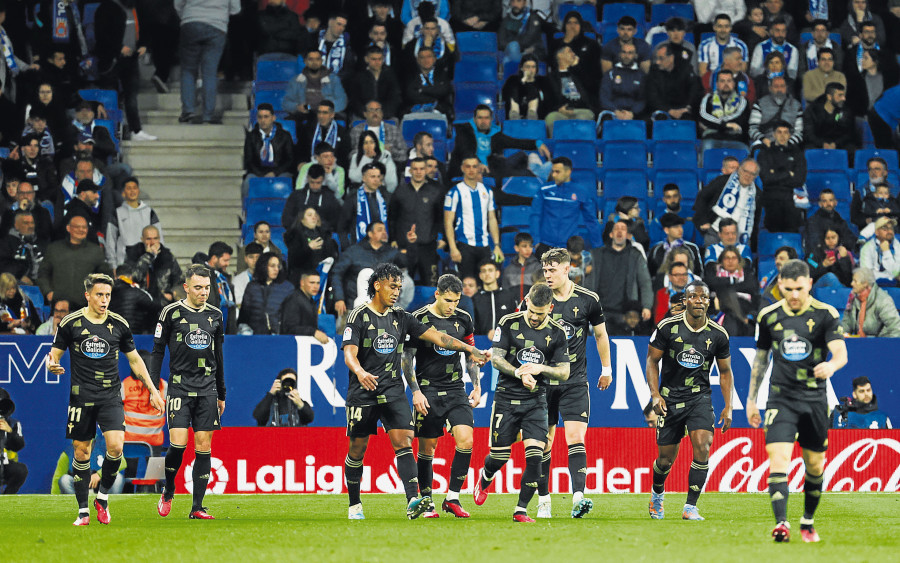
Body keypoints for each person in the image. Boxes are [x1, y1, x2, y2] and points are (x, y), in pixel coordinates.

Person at [342, 263, 489, 520]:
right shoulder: (358, 316)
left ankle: (413, 501)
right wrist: (360, 371)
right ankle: (355, 504)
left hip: (392, 390)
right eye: (392, 286)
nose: (397, 292)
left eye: (399, 287)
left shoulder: (402, 317)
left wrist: (469, 350)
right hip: (363, 391)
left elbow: (439, 338)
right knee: (357, 449)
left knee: (404, 442)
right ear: (377, 285)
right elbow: (349, 353)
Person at [47, 273, 164, 525]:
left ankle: (101, 498)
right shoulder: (71, 323)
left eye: (108, 295)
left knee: (116, 447)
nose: (104, 300)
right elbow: (53, 355)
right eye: (99, 295)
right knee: (81, 452)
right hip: (81, 397)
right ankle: (83, 511)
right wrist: (53, 365)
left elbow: (134, 359)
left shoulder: (119, 323)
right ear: (87, 295)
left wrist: (153, 390)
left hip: (110, 396)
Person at [747, 259, 847, 543]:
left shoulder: (825, 314)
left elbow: (840, 352)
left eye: (799, 289)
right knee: (778, 458)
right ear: (780, 284)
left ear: (809, 285)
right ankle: (781, 524)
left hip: (815, 400)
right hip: (781, 398)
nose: (793, 295)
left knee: (815, 466)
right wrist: (752, 400)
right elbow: (761, 359)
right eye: (788, 288)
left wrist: (832, 366)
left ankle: (808, 521)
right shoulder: (768, 316)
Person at [473, 283, 568, 522]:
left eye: (540, 313)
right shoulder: (508, 322)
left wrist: (540, 368)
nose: (535, 317)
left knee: (536, 454)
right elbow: (496, 358)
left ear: (550, 307)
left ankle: (521, 510)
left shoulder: (557, 333)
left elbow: (564, 372)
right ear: (526, 301)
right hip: (506, 397)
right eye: (532, 311)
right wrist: (519, 373)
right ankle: (486, 475)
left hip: (536, 400)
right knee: (499, 457)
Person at [534, 248, 611, 518]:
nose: (547, 274)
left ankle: (578, 496)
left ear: (567, 269)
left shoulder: (588, 300)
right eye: (545, 270)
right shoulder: (536, 298)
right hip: (543, 384)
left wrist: (607, 368)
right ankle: (544, 500)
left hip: (575, 381)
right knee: (544, 442)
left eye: (552, 269)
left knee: (576, 437)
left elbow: (601, 335)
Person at [647, 280, 733, 521]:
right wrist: (655, 394)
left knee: (703, 446)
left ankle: (690, 507)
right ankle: (657, 494)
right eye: (694, 297)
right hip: (670, 398)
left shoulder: (718, 334)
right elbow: (652, 361)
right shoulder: (667, 327)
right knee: (665, 460)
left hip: (700, 397)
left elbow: (725, 372)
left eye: (703, 297)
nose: (699, 301)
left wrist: (728, 406)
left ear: (708, 301)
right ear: (685, 301)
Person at [402, 274, 482, 518]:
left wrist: (476, 385)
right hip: (427, 389)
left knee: (466, 440)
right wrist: (415, 391)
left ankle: (453, 498)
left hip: (456, 388)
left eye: (456, 301)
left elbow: (471, 356)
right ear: (437, 294)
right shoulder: (418, 319)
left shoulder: (464, 319)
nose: (452, 306)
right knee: (428, 448)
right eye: (448, 300)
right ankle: (427, 501)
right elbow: (407, 359)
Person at [152, 264, 226, 520]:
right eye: (198, 287)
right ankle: (169, 488)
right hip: (180, 388)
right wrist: (153, 388)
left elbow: (219, 357)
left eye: (207, 288)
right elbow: (158, 351)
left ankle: (197, 507)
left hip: (207, 389)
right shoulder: (170, 313)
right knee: (178, 445)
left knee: (204, 447)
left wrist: (222, 393)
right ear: (186, 287)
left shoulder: (216, 315)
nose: (203, 292)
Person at [94, 0, 157, 141]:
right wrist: (118, 47)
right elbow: (101, 34)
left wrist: (144, 45)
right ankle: (109, 133)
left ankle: (136, 130)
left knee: (131, 97)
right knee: (110, 98)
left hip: (131, 61)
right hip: (111, 60)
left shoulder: (137, 7)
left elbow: (146, 28)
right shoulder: (106, 7)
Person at [176, 0, 241, 124]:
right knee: (210, 72)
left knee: (188, 70)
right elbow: (235, 9)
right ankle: (207, 115)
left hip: (191, 22)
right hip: (217, 26)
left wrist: (186, 16)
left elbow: (177, 4)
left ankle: (188, 111)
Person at [449, 104, 551, 182]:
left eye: (486, 118)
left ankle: (535, 169)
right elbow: (466, 150)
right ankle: (537, 170)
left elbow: (515, 142)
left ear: (491, 120)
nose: (483, 121)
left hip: (492, 168)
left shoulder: (494, 134)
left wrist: (537, 143)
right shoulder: (464, 131)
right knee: (521, 173)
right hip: (469, 171)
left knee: (523, 165)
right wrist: (477, 163)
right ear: (475, 119)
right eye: (480, 118)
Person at [584, 220, 653, 333]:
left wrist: (647, 306)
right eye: (616, 228)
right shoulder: (596, 255)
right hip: (601, 311)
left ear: (628, 235)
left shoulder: (635, 255)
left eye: (623, 229)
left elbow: (645, 282)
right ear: (611, 234)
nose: (620, 231)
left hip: (625, 314)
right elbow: (586, 282)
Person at [331, 221, 411, 317]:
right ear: (370, 234)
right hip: (353, 306)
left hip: (382, 309)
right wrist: (339, 298)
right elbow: (336, 274)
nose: (384, 232)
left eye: (385, 230)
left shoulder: (391, 252)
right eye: (379, 230)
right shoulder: (353, 252)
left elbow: (408, 264)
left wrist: (410, 244)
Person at [443, 156, 504, 279]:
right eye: (468, 166)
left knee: (487, 283)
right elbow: (448, 222)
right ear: (462, 168)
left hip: (484, 246)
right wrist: (453, 248)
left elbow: (492, 219)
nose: (471, 169)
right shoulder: (454, 192)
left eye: (474, 166)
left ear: (479, 169)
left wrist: (497, 245)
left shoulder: (487, 191)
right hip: (464, 245)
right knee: (467, 283)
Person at [388, 157, 444, 285]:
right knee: (401, 286)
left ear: (426, 170)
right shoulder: (400, 191)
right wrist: (393, 239)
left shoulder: (436, 191)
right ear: (410, 171)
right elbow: (392, 218)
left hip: (428, 246)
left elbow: (440, 218)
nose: (418, 172)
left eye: (422, 169)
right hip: (405, 246)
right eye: (415, 169)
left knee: (431, 286)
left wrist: (442, 237)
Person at [38, 215, 112, 308]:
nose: (81, 230)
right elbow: (43, 274)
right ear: (68, 228)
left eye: (84, 227)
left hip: (86, 307)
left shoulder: (96, 251)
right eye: (77, 227)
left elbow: (106, 277)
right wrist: (48, 292)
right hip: (59, 306)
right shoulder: (54, 249)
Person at [530, 157, 602, 253]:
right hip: (545, 245)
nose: (554, 175)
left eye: (557, 172)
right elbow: (535, 215)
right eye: (553, 171)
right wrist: (536, 242)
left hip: (569, 246)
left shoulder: (581, 192)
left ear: (568, 172)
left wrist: (598, 247)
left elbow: (591, 220)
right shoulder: (544, 190)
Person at [694, 159, 761, 247]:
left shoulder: (757, 194)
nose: (747, 175)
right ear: (739, 170)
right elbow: (702, 197)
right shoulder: (723, 181)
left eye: (752, 174)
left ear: (755, 176)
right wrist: (703, 221)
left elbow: (755, 220)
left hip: (740, 237)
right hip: (715, 231)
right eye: (745, 171)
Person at [757, 121, 806, 233]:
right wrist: (788, 173)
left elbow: (799, 179)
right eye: (779, 132)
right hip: (771, 196)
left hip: (791, 196)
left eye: (785, 133)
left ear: (790, 135)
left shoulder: (798, 153)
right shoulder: (765, 153)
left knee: (793, 225)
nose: (782, 136)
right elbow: (766, 178)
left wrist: (775, 173)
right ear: (774, 134)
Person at [106, 177, 162, 270]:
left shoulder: (149, 212)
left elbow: (159, 238)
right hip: (124, 262)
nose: (132, 191)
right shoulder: (117, 213)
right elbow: (110, 240)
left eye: (134, 188)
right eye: (129, 188)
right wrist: (113, 265)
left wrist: (158, 258)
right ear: (123, 192)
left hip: (147, 261)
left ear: (138, 191)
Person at [242, 104, 294, 199]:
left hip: (279, 171)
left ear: (273, 118)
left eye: (266, 117)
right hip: (258, 172)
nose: (263, 120)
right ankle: (247, 209)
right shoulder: (251, 137)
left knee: (288, 179)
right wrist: (261, 175)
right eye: (260, 117)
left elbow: (290, 160)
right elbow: (248, 161)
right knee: (248, 181)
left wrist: (275, 173)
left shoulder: (285, 136)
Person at [704, 246, 759, 336]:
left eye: (734, 258)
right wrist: (732, 281)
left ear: (739, 260)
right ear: (721, 260)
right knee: (727, 297)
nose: (730, 261)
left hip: (745, 308)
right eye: (727, 258)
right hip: (720, 309)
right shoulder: (714, 271)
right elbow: (709, 283)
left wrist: (723, 285)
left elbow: (751, 286)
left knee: (728, 295)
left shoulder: (747, 273)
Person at [284, 51, 349, 126]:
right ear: (305, 62)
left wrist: (328, 109)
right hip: (306, 112)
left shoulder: (333, 79)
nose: (314, 62)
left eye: (317, 59)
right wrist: (297, 107)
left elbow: (342, 100)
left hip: (326, 111)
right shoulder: (297, 80)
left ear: (322, 61)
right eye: (311, 59)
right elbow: (286, 103)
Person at [124, 225, 182, 309]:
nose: (152, 242)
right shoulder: (133, 255)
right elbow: (134, 277)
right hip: (139, 305)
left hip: (162, 305)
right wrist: (148, 255)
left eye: (155, 238)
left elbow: (179, 280)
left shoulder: (167, 257)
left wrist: (171, 294)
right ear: (142, 239)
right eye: (148, 239)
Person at [238, 253, 294, 335]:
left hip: (279, 337)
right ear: (263, 266)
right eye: (272, 266)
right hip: (255, 337)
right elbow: (244, 315)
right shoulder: (252, 286)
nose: (276, 269)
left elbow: (291, 317)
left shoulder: (287, 288)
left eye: (278, 266)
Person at [121, 349, 167, 450]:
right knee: (155, 466)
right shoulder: (163, 385)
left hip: (129, 441)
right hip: (154, 441)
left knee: (129, 466)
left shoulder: (125, 385)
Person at [645, 43, 702, 121]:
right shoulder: (654, 71)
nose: (657, 62)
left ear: (671, 58)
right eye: (657, 58)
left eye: (661, 58)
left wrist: (687, 107)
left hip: (684, 109)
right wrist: (669, 110)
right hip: (663, 110)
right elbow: (652, 97)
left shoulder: (686, 70)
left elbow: (695, 91)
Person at [284, 207, 339, 286]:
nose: (314, 217)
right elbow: (294, 260)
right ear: (302, 220)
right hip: (301, 282)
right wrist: (308, 248)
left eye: (315, 215)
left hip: (323, 280)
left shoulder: (324, 235)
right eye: (309, 215)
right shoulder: (295, 236)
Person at [699, 70, 751, 153]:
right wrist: (727, 125)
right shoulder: (708, 99)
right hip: (712, 138)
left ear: (733, 84)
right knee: (706, 148)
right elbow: (703, 116)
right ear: (717, 84)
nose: (726, 84)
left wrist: (715, 124)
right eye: (722, 81)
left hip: (736, 139)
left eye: (729, 81)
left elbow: (740, 118)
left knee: (745, 151)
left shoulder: (742, 100)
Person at [842, 267, 900, 337]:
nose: (852, 284)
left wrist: (884, 344)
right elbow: (847, 322)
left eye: (855, 281)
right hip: (858, 342)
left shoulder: (883, 300)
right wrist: (841, 335)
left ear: (865, 284)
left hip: (879, 343)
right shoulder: (853, 298)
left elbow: (896, 328)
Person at [282, 164, 342, 233]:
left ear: (323, 179)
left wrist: (319, 226)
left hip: (322, 235)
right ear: (308, 178)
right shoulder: (296, 196)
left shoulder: (330, 198)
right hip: (299, 235)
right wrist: (303, 226)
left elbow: (337, 221)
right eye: (312, 182)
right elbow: (286, 219)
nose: (315, 186)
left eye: (318, 183)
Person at [748, 77, 803, 149]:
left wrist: (788, 143)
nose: (779, 89)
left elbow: (800, 132)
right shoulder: (760, 103)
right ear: (770, 88)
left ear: (786, 88)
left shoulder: (796, 105)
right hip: (765, 143)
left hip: (790, 145)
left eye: (782, 86)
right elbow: (752, 129)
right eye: (776, 86)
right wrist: (763, 139)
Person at [402, 46, 453, 121]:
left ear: (434, 59)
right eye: (422, 57)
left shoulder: (442, 73)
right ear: (417, 60)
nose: (426, 60)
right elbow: (411, 95)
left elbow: (443, 91)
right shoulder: (410, 75)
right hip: (415, 111)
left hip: (439, 110)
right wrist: (433, 97)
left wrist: (421, 90)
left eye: (429, 57)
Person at [348, 50, 402, 121]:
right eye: (373, 59)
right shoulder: (358, 77)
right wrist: (365, 113)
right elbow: (354, 100)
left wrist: (383, 113)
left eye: (380, 59)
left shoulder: (390, 76)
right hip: (363, 115)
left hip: (385, 115)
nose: (377, 62)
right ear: (366, 59)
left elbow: (395, 98)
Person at [599, 42, 647, 122]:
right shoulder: (610, 73)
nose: (626, 56)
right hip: (613, 112)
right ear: (619, 54)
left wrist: (632, 113)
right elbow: (604, 97)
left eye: (630, 53)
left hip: (634, 114)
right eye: (624, 52)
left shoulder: (641, 75)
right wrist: (616, 111)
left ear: (635, 55)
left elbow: (643, 99)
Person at [298, 100, 351, 170]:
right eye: (319, 112)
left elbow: (344, 156)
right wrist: (301, 162)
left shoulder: (342, 132)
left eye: (325, 113)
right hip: (310, 169)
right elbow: (300, 150)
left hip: (333, 169)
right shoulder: (308, 129)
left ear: (332, 115)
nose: (321, 116)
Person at [349, 100, 407, 165]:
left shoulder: (393, 129)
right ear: (365, 114)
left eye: (378, 110)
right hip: (364, 167)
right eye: (371, 110)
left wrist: (391, 151)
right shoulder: (357, 130)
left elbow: (404, 156)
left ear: (382, 113)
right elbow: (350, 156)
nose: (375, 113)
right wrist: (365, 151)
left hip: (389, 165)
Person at [803, 82, 856, 152]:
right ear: (829, 97)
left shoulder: (845, 110)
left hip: (838, 143)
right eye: (840, 95)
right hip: (817, 143)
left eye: (843, 95)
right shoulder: (812, 111)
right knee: (809, 150)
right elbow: (809, 134)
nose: (844, 98)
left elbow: (849, 133)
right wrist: (822, 144)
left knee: (852, 149)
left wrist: (836, 144)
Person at [471, 258, 518, 337]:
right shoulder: (475, 299)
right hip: (481, 343)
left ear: (497, 273)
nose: (487, 274)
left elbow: (516, 322)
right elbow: (472, 326)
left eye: (490, 270)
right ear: (480, 275)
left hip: (506, 343)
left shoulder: (509, 296)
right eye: (484, 271)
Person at [647, 214, 703, 278]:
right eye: (676, 227)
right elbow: (650, 273)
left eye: (681, 226)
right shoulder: (656, 249)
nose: (680, 230)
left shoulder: (692, 248)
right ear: (666, 230)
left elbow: (699, 272)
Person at [279, 271, 329, 341]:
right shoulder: (294, 300)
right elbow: (289, 328)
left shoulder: (311, 301)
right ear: (302, 283)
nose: (315, 286)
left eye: (318, 283)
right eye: (312, 283)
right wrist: (313, 332)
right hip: (291, 344)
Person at [109, 265, 157, 335]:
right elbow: (155, 306)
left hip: (112, 336)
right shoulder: (138, 292)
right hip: (134, 336)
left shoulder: (106, 292)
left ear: (115, 276)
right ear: (131, 277)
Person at [501, 54, 552, 121]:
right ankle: (514, 113)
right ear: (522, 68)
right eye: (527, 67)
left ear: (536, 69)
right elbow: (505, 96)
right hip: (516, 109)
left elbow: (547, 100)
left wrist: (530, 83)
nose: (530, 70)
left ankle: (532, 113)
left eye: (533, 67)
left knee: (533, 89)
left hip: (538, 113)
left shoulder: (542, 81)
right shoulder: (512, 79)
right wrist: (523, 81)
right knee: (514, 87)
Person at [0, 210, 44, 285]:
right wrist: (19, 276)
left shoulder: (39, 241)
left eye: (32, 223)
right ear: (16, 225)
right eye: (26, 223)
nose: (31, 226)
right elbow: (3, 265)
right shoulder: (6, 242)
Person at [807, 189, 857, 256]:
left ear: (835, 202)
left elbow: (849, 239)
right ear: (820, 204)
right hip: (820, 258)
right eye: (824, 201)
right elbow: (814, 244)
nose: (828, 204)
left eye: (830, 200)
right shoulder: (813, 221)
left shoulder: (840, 221)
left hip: (839, 255)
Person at [497, 0, 546, 65]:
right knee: (512, 48)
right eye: (513, 1)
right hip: (511, 51)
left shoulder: (532, 18)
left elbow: (528, 39)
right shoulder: (506, 19)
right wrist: (512, 46)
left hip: (531, 53)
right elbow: (501, 41)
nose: (515, 4)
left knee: (509, 55)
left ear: (525, 3)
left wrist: (514, 45)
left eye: (519, 1)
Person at [0, 387, 26, 494]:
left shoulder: (13, 423)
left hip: (3, 463)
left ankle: (7, 500)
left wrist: (10, 431)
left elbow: (18, 445)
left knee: (20, 470)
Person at [859, 216, 900, 284]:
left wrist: (886, 251)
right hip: (875, 285)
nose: (889, 231)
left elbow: (897, 270)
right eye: (885, 229)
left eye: (891, 228)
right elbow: (867, 274)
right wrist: (886, 252)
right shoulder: (867, 248)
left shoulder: (897, 244)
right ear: (877, 232)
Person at [503, 232, 540, 302]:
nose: (528, 249)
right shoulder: (508, 270)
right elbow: (505, 292)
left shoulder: (537, 267)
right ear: (516, 248)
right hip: (513, 307)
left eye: (530, 246)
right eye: (524, 246)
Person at [317, 13, 355, 79]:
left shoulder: (346, 47)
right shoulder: (315, 40)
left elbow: (348, 72)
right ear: (330, 22)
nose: (341, 28)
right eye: (339, 24)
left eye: (344, 26)